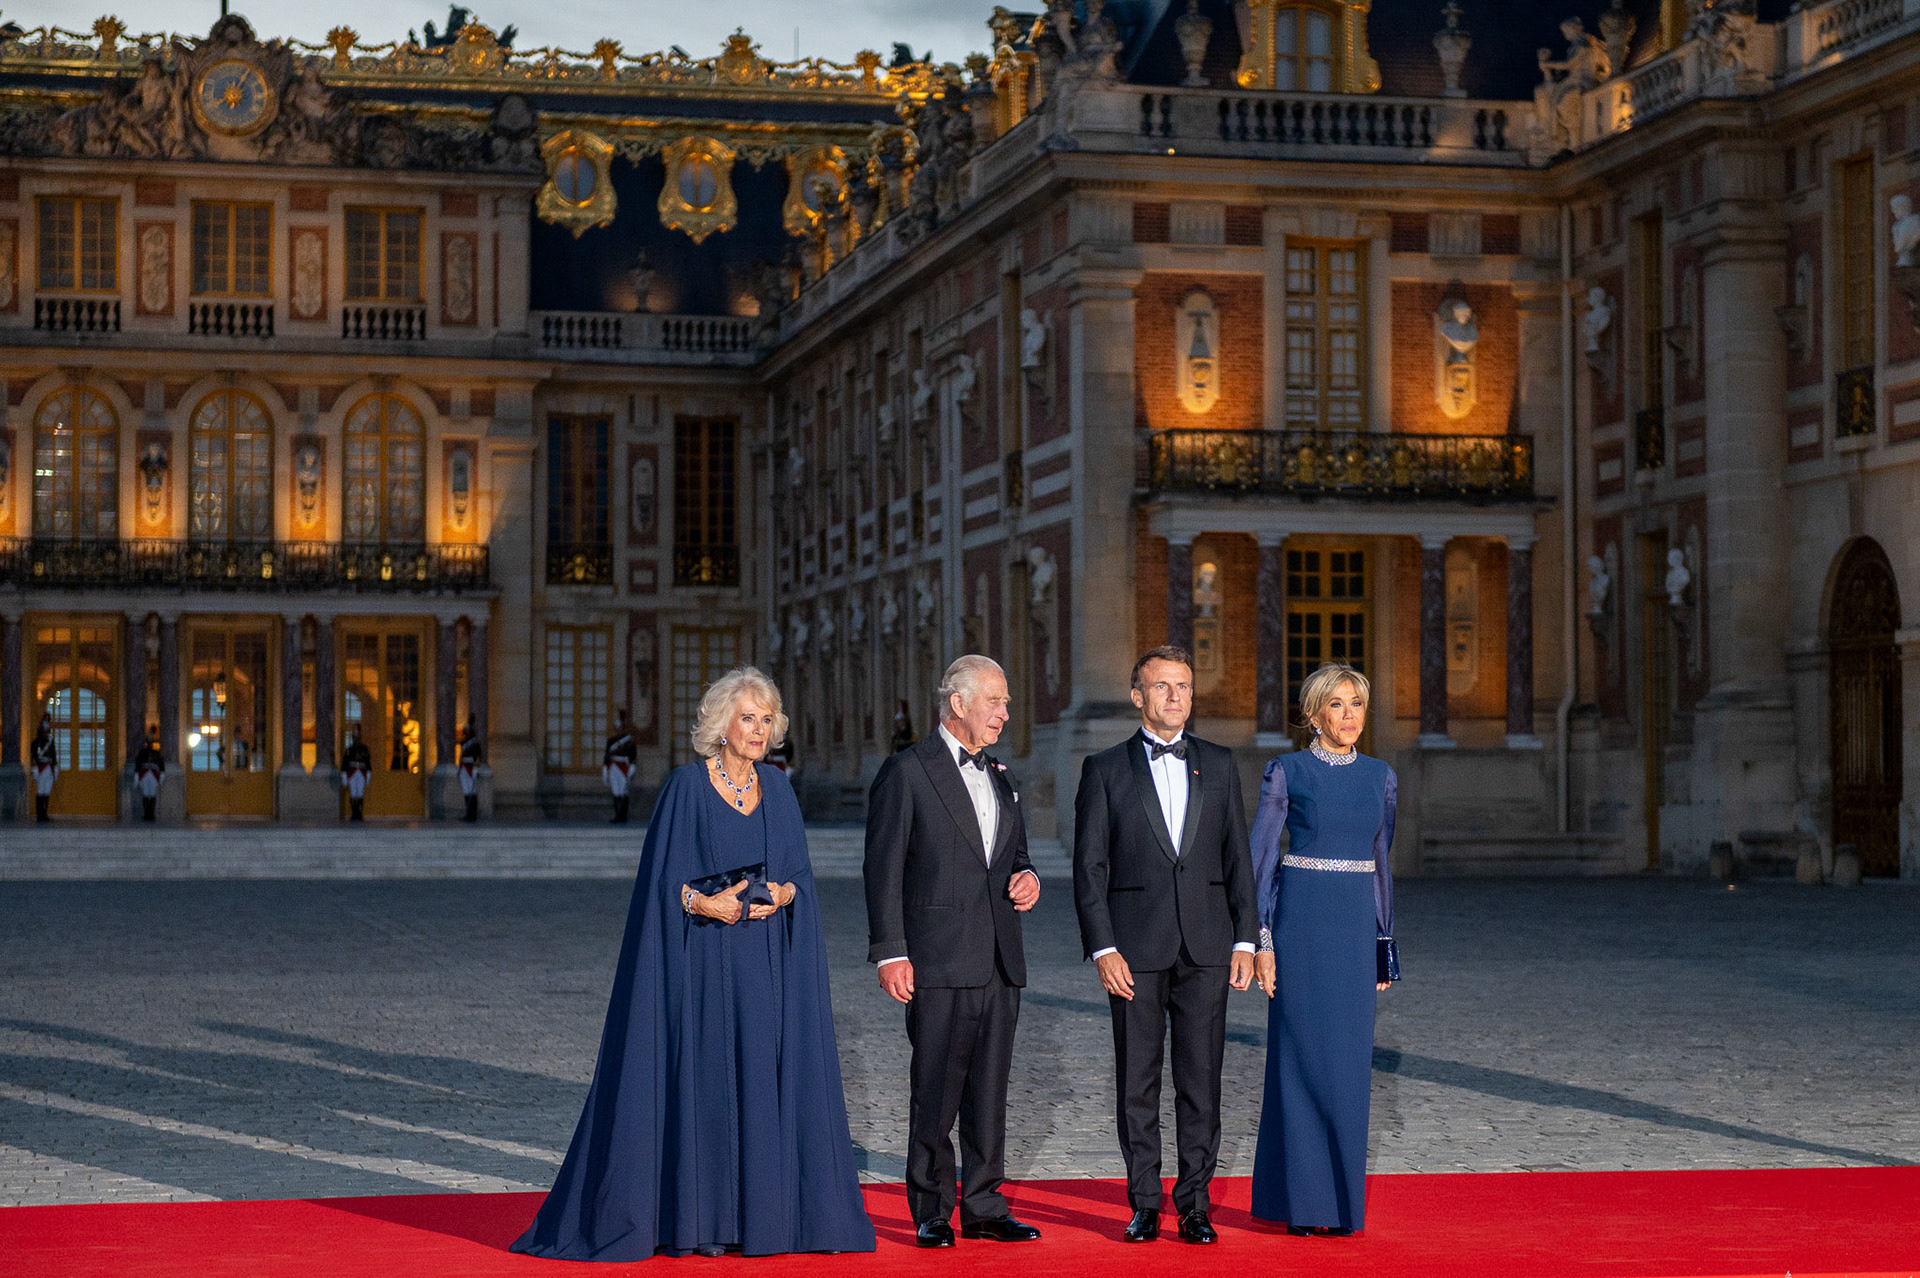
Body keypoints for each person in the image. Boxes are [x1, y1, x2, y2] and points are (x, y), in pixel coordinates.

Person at [513, 667, 874, 1261]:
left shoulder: (779, 790)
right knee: (706, 1084)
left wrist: (778, 898)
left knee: (760, 1080)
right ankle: (702, 1221)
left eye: (767, 720)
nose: (759, 730)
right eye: (748, 718)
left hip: (763, 969)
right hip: (701, 965)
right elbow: (661, 887)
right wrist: (707, 903)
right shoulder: (685, 788)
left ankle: (761, 1221)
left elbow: (800, 881)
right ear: (721, 726)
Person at [1071, 645, 1257, 1245]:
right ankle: (1144, 1203)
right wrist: (1104, 950)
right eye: (1162, 686)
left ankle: (1196, 1204)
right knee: (1137, 1083)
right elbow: (1089, 870)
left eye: (1183, 686)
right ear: (1138, 695)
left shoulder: (1221, 764)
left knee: (1201, 1082)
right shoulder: (1104, 770)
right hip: (1134, 952)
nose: (1175, 696)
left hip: (1206, 947)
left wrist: (1247, 938)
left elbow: (1239, 861)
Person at [864, 654, 1043, 1250]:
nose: (1004, 712)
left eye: (1007, 702)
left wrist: (1029, 878)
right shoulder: (907, 772)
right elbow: (883, 867)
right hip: (936, 960)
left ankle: (986, 1204)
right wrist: (891, 952)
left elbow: (1013, 856)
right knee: (936, 1089)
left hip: (999, 958)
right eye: (995, 701)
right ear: (958, 704)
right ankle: (931, 1208)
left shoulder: (1003, 775)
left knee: (990, 1091)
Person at [1248, 662, 1400, 1237]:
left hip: (1354, 932)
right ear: (1313, 715)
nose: (1348, 716)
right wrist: (1263, 941)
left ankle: (1341, 1206)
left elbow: (1382, 863)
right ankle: (1305, 1207)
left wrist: (1385, 941)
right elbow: (1261, 861)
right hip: (1301, 928)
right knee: (1299, 1063)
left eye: (1356, 704)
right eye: (1336, 705)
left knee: (1347, 1068)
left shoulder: (1382, 776)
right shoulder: (1286, 772)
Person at [603, 711, 637, 824]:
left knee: (623, 792)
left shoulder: (629, 741)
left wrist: (632, 768)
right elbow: (607, 756)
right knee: (616, 792)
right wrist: (604, 770)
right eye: (616, 728)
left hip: (624, 768)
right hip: (613, 768)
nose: (618, 730)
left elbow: (633, 756)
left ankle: (623, 816)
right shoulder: (610, 741)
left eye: (619, 728)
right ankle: (617, 815)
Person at [30, 713, 57, 824]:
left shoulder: (51, 741)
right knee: (40, 791)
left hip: (49, 768)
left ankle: (44, 814)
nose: (46, 731)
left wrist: (55, 768)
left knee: (46, 791)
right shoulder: (35, 743)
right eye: (44, 729)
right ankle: (39, 815)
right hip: (40, 768)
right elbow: (34, 756)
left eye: (47, 729)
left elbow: (53, 755)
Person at [133, 726, 165, 822]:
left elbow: (161, 765)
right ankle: (147, 813)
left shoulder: (156, 753)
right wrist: (137, 776)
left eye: (151, 741)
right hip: (145, 774)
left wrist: (162, 775)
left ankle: (151, 813)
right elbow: (138, 765)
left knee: (152, 794)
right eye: (149, 741)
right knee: (146, 794)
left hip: (153, 775)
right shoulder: (142, 753)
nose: (150, 743)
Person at [341, 728, 372, 822]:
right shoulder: (349, 750)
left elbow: (367, 761)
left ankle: (359, 813)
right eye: (354, 737)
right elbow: (345, 763)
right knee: (353, 793)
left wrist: (368, 773)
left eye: (357, 736)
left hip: (361, 772)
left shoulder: (364, 749)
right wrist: (344, 775)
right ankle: (354, 813)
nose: (356, 738)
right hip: (352, 772)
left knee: (360, 793)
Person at [457, 714, 483, 822]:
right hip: (464, 768)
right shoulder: (465, 743)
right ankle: (468, 814)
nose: (465, 733)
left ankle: (472, 815)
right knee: (466, 792)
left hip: (471, 769)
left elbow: (477, 759)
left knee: (472, 792)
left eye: (467, 731)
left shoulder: (475, 745)